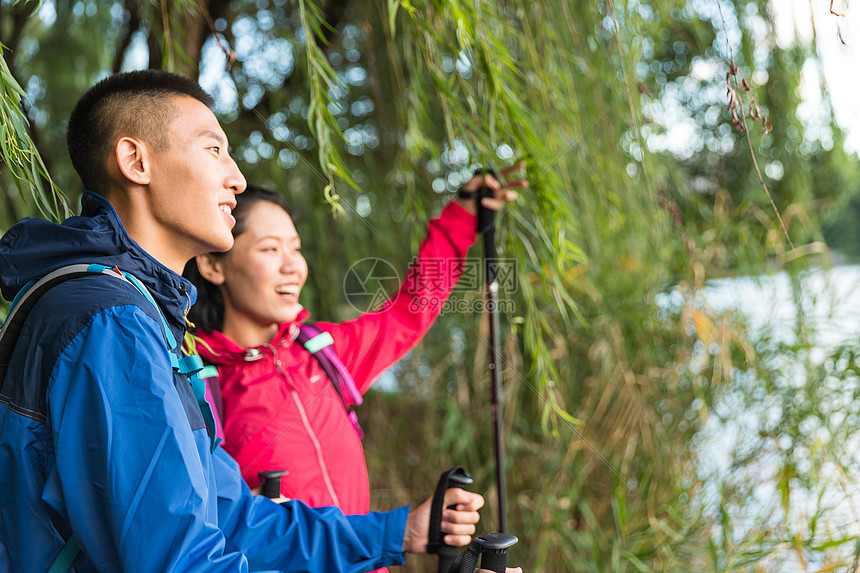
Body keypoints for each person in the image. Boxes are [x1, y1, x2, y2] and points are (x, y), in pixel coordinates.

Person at [0, 70, 513, 573]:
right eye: (214, 149)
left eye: (296, 248)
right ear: (136, 160)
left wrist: (399, 534)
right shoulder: (115, 323)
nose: (237, 178)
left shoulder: (300, 354)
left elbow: (235, 522)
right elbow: (182, 560)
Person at [183, 167, 523, 515]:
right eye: (270, 249)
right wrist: (245, 516)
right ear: (213, 265)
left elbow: (411, 309)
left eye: (296, 249)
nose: (293, 266)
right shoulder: (196, 387)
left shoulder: (324, 352)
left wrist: (463, 217)